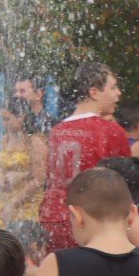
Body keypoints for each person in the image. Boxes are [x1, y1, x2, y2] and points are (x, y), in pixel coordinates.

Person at [39, 63, 132, 251]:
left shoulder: (57, 131)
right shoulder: (111, 132)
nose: (118, 93)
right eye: (113, 87)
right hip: (91, 222)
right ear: (94, 92)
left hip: (53, 218)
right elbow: (127, 185)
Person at [0, 97, 45, 226]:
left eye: (7, 119)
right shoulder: (5, 139)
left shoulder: (35, 142)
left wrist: (14, 202)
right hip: (4, 200)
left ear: (21, 117)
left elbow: (40, 179)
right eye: (2, 119)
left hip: (27, 203)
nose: (4, 123)